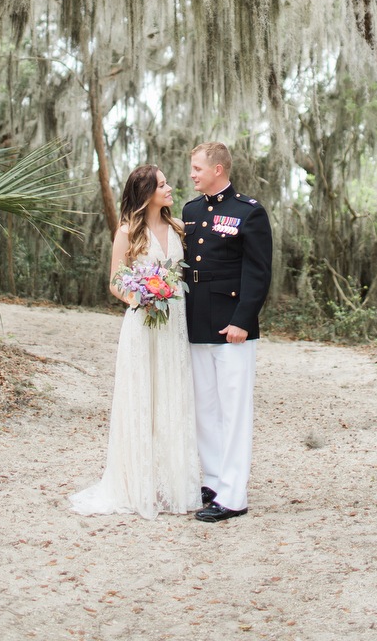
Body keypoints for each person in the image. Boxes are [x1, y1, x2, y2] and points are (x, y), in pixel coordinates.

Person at [69, 165, 201, 520]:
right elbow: (115, 282)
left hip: (174, 325)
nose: (170, 187)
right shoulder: (127, 232)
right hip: (142, 325)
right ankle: (135, 485)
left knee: (171, 398)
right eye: (162, 184)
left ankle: (174, 485)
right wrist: (140, 296)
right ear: (146, 193)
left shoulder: (178, 228)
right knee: (142, 399)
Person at [182, 142, 273, 522]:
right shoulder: (189, 210)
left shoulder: (248, 212)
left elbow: (258, 272)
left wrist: (242, 319)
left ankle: (234, 496)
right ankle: (214, 481)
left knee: (233, 411)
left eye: (197, 168)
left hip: (232, 325)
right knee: (205, 409)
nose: (192, 174)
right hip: (197, 320)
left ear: (218, 169)